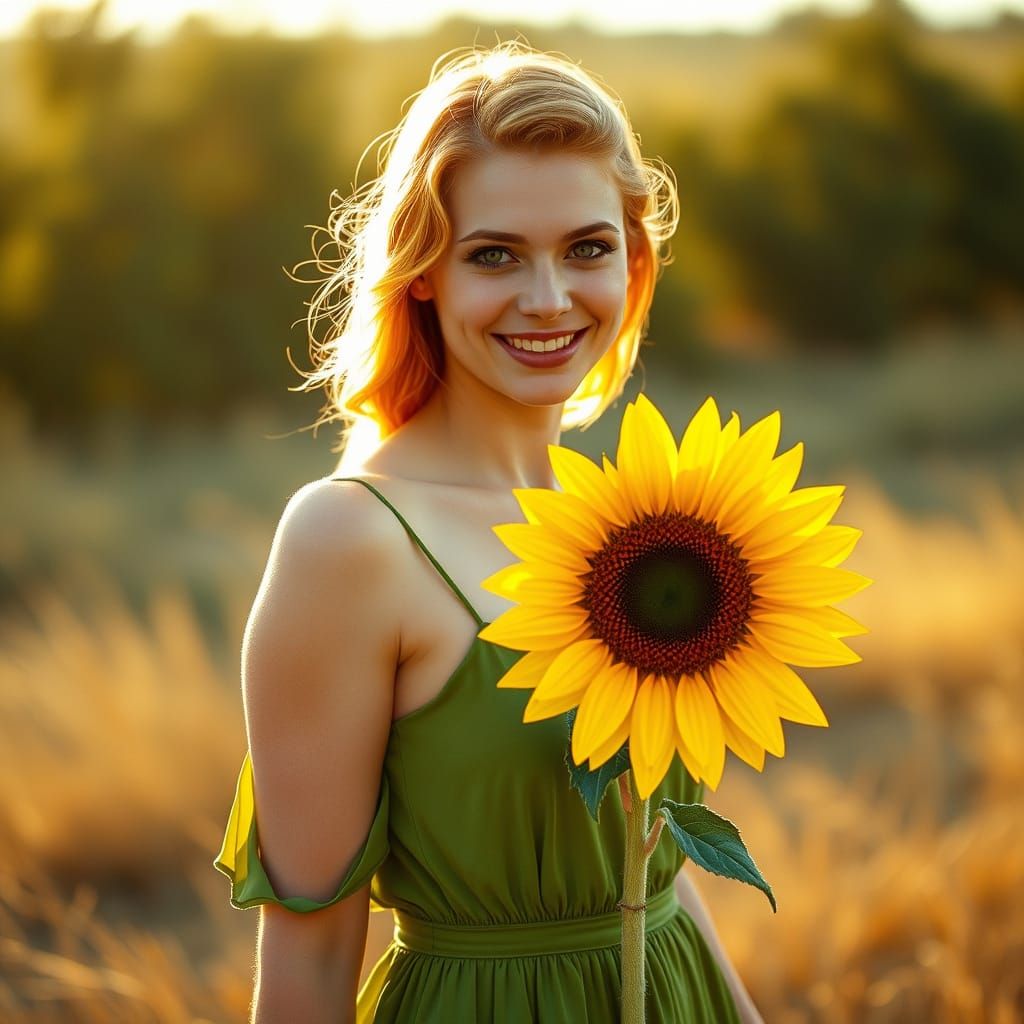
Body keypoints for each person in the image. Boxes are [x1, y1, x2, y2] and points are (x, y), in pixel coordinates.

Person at [215, 42, 764, 1024]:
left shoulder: (624, 525)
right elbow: (308, 951)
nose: (549, 299)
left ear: (632, 264)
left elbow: (651, 868)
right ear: (424, 273)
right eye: (495, 254)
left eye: (586, 248)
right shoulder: (350, 542)